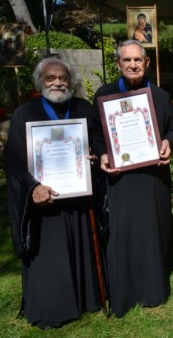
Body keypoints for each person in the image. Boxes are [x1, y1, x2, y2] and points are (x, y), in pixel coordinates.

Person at [5, 58, 102, 328]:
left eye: (62, 78)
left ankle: (85, 300)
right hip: (44, 205)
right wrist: (33, 187)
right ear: (40, 82)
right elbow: (13, 162)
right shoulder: (25, 114)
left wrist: (95, 155)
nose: (58, 82)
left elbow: (96, 139)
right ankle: (53, 306)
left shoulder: (83, 108)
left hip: (78, 202)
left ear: (70, 81)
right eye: (50, 78)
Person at [92, 40, 173, 317]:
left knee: (152, 232)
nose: (133, 65)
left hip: (152, 178)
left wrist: (169, 141)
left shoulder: (159, 96)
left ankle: (153, 289)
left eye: (138, 60)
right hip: (120, 181)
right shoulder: (104, 95)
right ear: (118, 64)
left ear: (146, 63)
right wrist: (103, 153)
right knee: (122, 234)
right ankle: (125, 289)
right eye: (127, 60)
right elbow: (95, 133)